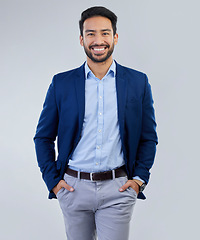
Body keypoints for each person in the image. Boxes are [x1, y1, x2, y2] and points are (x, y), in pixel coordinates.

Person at [34, 6, 158, 240]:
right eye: (90, 34)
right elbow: (43, 137)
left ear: (115, 38)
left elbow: (148, 136)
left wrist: (138, 180)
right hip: (73, 188)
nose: (98, 40)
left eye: (105, 33)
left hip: (118, 189)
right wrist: (53, 182)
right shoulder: (61, 83)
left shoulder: (137, 82)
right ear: (81, 39)